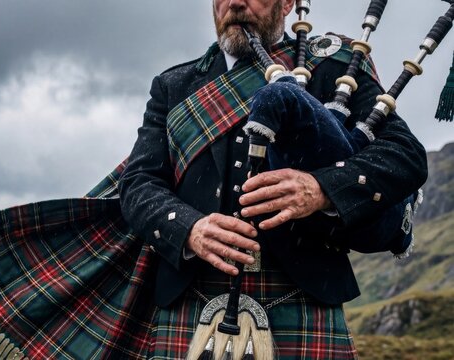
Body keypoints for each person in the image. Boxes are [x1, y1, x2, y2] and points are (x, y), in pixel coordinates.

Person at [117, 0, 427, 358]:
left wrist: (321, 188)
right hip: (191, 296)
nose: (234, 3)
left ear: (288, 3)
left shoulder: (330, 67)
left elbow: (405, 156)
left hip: (303, 297)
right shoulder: (175, 84)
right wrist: (190, 229)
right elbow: (138, 183)